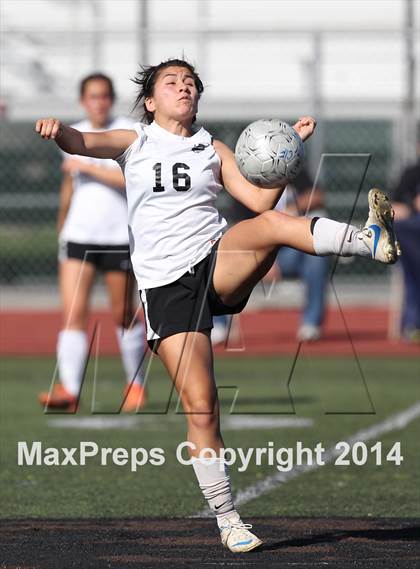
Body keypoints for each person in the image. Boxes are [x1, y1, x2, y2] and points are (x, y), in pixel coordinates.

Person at [35, 58, 400, 552]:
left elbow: (258, 202)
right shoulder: (134, 140)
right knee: (203, 408)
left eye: (191, 83)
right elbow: (80, 143)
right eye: (172, 82)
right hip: (167, 288)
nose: (184, 88)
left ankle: (368, 241)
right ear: (150, 100)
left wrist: (286, 153)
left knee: (271, 227)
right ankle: (228, 518)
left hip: (215, 259)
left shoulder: (212, 145)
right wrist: (59, 132)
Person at [38, 73, 146, 413]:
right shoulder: (73, 132)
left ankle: (135, 384)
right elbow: (69, 188)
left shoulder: (129, 132)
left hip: (117, 238)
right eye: (92, 97)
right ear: (83, 101)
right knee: (72, 314)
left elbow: (132, 181)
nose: (98, 102)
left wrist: (88, 166)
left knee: (123, 313)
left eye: (103, 96)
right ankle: (69, 391)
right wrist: (61, 229)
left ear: (111, 99)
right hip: (79, 237)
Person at [392, 152, 420, 341]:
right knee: (401, 226)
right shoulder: (412, 173)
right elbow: (394, 208)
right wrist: (412, 207)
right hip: (415, 234)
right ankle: (413, 323)